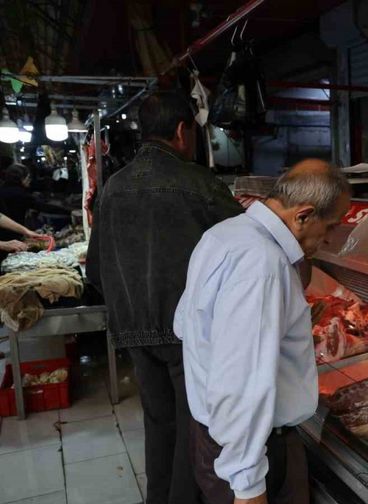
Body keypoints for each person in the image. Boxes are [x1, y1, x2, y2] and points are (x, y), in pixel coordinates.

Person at [87, 90, 243, 504]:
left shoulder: (113, 187)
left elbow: (95, 269)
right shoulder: (198, 183)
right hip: (187, 330)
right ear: (181, 130)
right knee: (193, 425)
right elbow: (249, 249)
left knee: (158, 421)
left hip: (132, 328)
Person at [174, 160, 351, 504]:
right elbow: (240, 384)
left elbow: (185, 324)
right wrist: (248, 486)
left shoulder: (223, 234)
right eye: (330, 226)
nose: (329, 239)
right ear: (304, 215)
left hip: (217, 438)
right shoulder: (263, 264)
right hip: (254, 452)